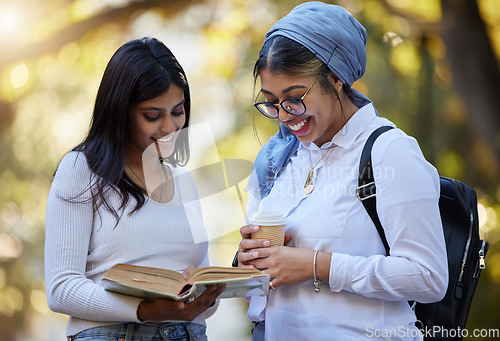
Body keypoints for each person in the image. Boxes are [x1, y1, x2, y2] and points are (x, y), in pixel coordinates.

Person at [236, 2, 448, 340]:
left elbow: (427, 278)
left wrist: (316, 265)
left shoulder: (388, 151)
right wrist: (247, 262)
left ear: (336, 78)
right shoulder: (276, 160)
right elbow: (261, 285)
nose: (284, 115)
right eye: (271, 101)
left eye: (294, 97)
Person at [45, 37, 225, 341]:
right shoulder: (81, 169)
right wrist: (145, 309)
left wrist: (210, 291)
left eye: (178, 111)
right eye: (153, 116)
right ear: (120, 112)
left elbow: (204, 302)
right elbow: (61, 288)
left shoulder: (185, 183)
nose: (170, 127)